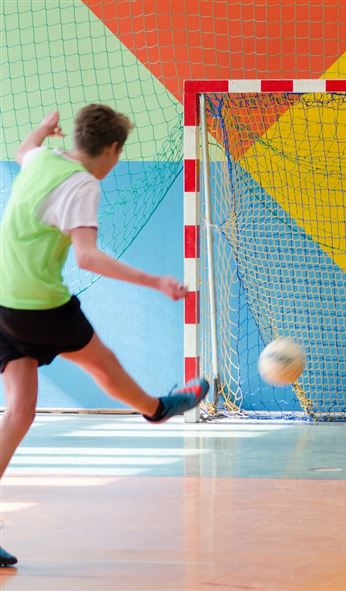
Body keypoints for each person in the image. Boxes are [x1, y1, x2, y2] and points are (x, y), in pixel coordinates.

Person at [0, 106, 208, 567]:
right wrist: (156, 282)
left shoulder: (43, 159)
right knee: (103, 364)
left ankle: (155, 408)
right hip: (36, 303)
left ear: (77, 137)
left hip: (1, 301)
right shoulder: (83, 185)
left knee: (19, 412)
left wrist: (42, 128)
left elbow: (24, 148)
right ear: (112, 149)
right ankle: (156, 409)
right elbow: (88, 257)